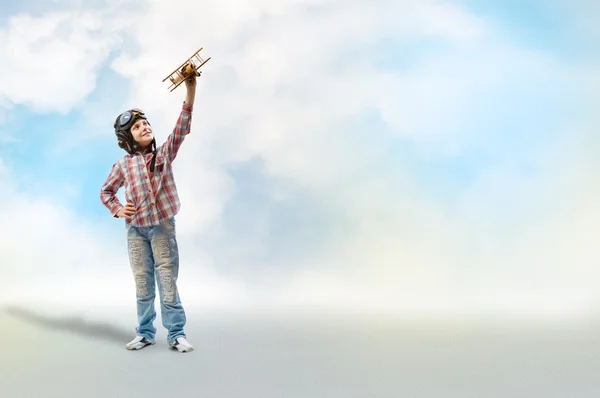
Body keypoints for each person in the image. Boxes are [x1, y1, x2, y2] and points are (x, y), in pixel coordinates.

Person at [100, 75, 197, 353]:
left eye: (146, 124)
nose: (145, 127)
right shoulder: (123, 165)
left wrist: (190, 91)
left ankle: (176, 333)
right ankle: (144, 332)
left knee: (166, 280)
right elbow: (106, 192)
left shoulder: (163, 154)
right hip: (135, 231)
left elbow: (181, 128)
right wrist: (118, 209)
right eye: (137, 127)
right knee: (143, 282)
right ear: (126, 138)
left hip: (162, 228)